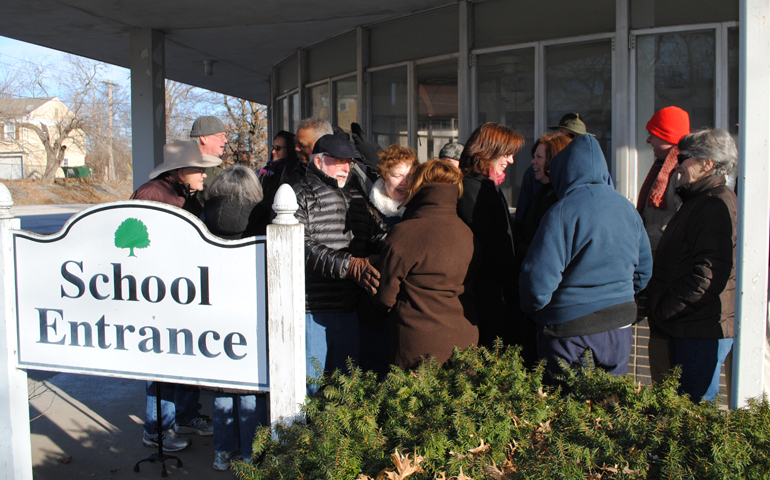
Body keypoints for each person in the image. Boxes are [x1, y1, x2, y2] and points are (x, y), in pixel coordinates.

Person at [519, 135, 652, 387]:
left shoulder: (562, 211)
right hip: (620, 328)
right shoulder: (627, 209)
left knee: (565, 416)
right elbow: (644, 271)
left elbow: (537, 281)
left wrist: (535, 311)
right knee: (608, 410)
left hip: (569, 331)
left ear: (563, 170)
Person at [130, 140, 221, 451]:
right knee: (162, 365)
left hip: (184, 291)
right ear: (181, 170)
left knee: (184, 358)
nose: (205, 176)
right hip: (160, 295)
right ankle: (157, 429)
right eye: (200, 170)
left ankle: (183, 416)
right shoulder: (151, 195)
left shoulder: (185, 195)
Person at [646, 128, 738, 403]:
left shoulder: (714, 204)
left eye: (684, 157)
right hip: (689, 327)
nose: (676, 165)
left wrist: (665, 309)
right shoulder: (697, 200)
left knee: (693, 417)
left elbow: (708, 275)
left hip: (697, 330)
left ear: (708, 164)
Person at [293, 134, 387, 394]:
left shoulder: (356, 194)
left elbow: (379, 235)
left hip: (350, 310)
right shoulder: (299, 193)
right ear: (319, 161)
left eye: (350, 162)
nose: (347, 168)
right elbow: (299, 246)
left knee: (345, 392)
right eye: (340, 162)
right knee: (308, 391)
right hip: (312, 310)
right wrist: (350, 266)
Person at [373, 160, 478, 369]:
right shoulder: (468, 233)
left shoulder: (405, 234)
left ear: (418, 186)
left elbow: (384, 297)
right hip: (464, 343)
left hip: (418, 349)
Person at [202, 165, 270, 470]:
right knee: (250, 389)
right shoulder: (261, 216)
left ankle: (222, 451)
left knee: (221, 384)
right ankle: (250, 455)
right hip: (250, 306)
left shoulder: (204, 216)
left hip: (214, 307)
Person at [456, 123, 530, 356]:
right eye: (506, 153)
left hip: (496, 298)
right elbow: (488, 251)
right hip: (483, 302)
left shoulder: (486, 188)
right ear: (488, 151)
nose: (511, 160)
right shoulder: (471, 190)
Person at [636, 106, 691, 384]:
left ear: (668, 137)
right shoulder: (662, 167)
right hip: (657, 265)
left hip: (668, 270)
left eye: (652, 135)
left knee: (663, 344)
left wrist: (643, 241)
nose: (648, 141)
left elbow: (677, 223)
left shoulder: (680, 172)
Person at [359, 144, 418, 377]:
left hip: (409, 310)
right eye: (397, 175)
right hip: (373, 309)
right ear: (383, 177)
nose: (404, 182)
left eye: (409, 176)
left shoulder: (419, 211)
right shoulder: (366, 209)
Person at [514, 113, 598, 226]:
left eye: (581, 137)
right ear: (556, 134)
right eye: (571, 136)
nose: (575, 142)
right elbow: (522, 214)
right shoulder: (534, 172)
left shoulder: (595, 173)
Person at [513, 133, 571, 261]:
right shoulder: (542, 193)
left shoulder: (562, 199)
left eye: (539, 157)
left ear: (554, 161)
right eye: (534, 157)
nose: (533, 161)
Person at [281, 117, 333, 186]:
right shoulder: (290, 170)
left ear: (322, 144)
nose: (296, 148)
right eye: (296, 143)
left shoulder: (341, 170)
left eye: (302, 145)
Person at [189, 115, 229, 202]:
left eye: (225, 136)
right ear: (204, 138)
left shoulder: (217, 168)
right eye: (220, 136)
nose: (225, 140)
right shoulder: (188, 168)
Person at [259, 130, 297, 209]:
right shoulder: (265, 173)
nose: (273, 152)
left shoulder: (293, 174)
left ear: (290, 149)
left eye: (278, 148)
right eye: (273, 148)